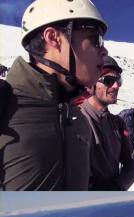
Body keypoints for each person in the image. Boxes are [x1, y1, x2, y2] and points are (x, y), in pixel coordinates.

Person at [0, 0, 108, 190]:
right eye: (95, 38)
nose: (104, 50)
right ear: (53, 38)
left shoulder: (78, 117)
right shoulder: (5, 103)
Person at [68, 56, 134, 190]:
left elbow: (133, 164)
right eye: (109, 80)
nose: (116, 85)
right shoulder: (74, 119)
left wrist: (117, 187)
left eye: (118, 80)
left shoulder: (118, 123)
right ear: (91, 84)